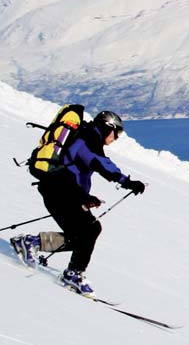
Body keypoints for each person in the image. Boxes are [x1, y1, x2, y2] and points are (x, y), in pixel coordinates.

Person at [10, 110, 145, 296]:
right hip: (59, 191)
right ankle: (72, 272)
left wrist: (86, 198)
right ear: (108, 128)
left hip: (61, 191)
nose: (117, 138)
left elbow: (77, 170)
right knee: (89, 230)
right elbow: (102, 164)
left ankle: (31, 243)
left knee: (84, 234)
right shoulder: (87, 141)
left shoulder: (86, 139)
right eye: (117, 133)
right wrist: (127, 182)